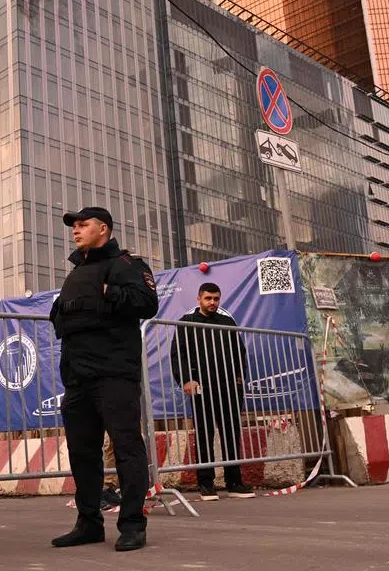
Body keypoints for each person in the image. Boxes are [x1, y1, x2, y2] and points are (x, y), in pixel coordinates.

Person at [49, 206, 159, 552]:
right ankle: (89, 522)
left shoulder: (127, 265)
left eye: (83, 225)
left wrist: (111, 293)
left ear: (104, 229)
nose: (76, 230)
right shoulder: (76, 273)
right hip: (78, 377)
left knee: (127, 448)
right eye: (74, 226)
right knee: (83, 453)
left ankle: (132, 524)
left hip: (114, 374)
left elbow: (147, 303)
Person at [170, 283, 254, 500]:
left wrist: (238, 375)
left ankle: (234, 482)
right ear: (199, 298)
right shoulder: (186, 323)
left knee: (231, 433)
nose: (213, 303)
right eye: (208, 298)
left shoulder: (227, 322)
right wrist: (186, 380)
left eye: (216, 298)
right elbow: (178, 354)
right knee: (204, 434)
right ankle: (206, 484)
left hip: (228, 388)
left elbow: (239, 351)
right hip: (201, 387)